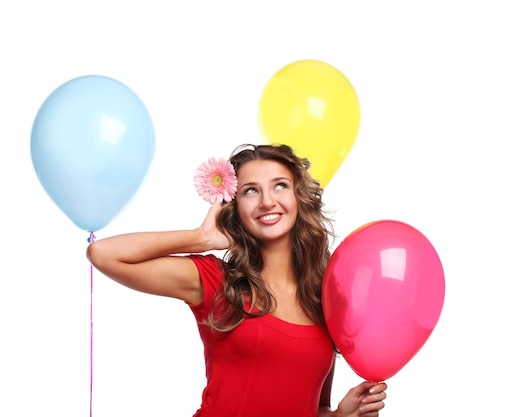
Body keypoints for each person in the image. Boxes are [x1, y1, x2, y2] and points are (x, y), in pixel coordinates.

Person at [86, 143, 388, 417]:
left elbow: (313, 407)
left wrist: (338, 416)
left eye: (280, 186)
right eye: (250, 191)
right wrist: (200, 238)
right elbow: (104, 254)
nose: (267, 201)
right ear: (235, 206)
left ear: (298, 197)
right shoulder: (215, 281)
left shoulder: (321, 297)